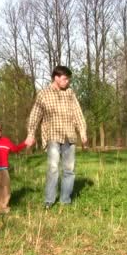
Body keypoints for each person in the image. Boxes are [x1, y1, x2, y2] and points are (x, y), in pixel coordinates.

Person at [25, 65, 87, 209]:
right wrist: (31, 133)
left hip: (70, 136)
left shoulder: (70, 93)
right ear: (56, 78)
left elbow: (78, 113)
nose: (68, 82)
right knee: (53, 168)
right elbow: (35, 115)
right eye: (65, 79)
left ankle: (65, 200)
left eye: (68, 79)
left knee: (69, 170)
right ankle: (49, 200)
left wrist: (83, 132)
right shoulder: (43, 94)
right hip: (52, 136)